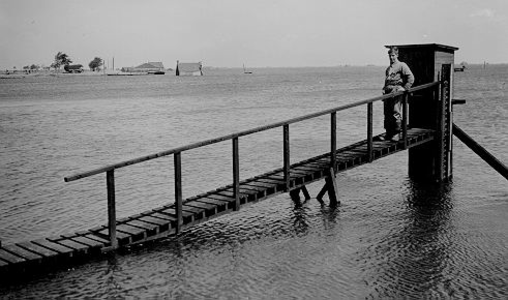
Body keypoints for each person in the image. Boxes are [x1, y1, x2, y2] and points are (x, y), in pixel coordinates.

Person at [378, 46, 415, 141]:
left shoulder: (402, 65)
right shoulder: (388, 69)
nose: (391, 58)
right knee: (387, 113)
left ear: (397, 55)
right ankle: (388, 133)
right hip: (388, 91)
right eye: (390, 56)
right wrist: (383, 89)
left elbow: (411, 78)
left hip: (396, 90)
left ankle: (397, 133)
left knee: (396, 111)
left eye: (393, 55)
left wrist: (404, 88)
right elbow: (387, 81)